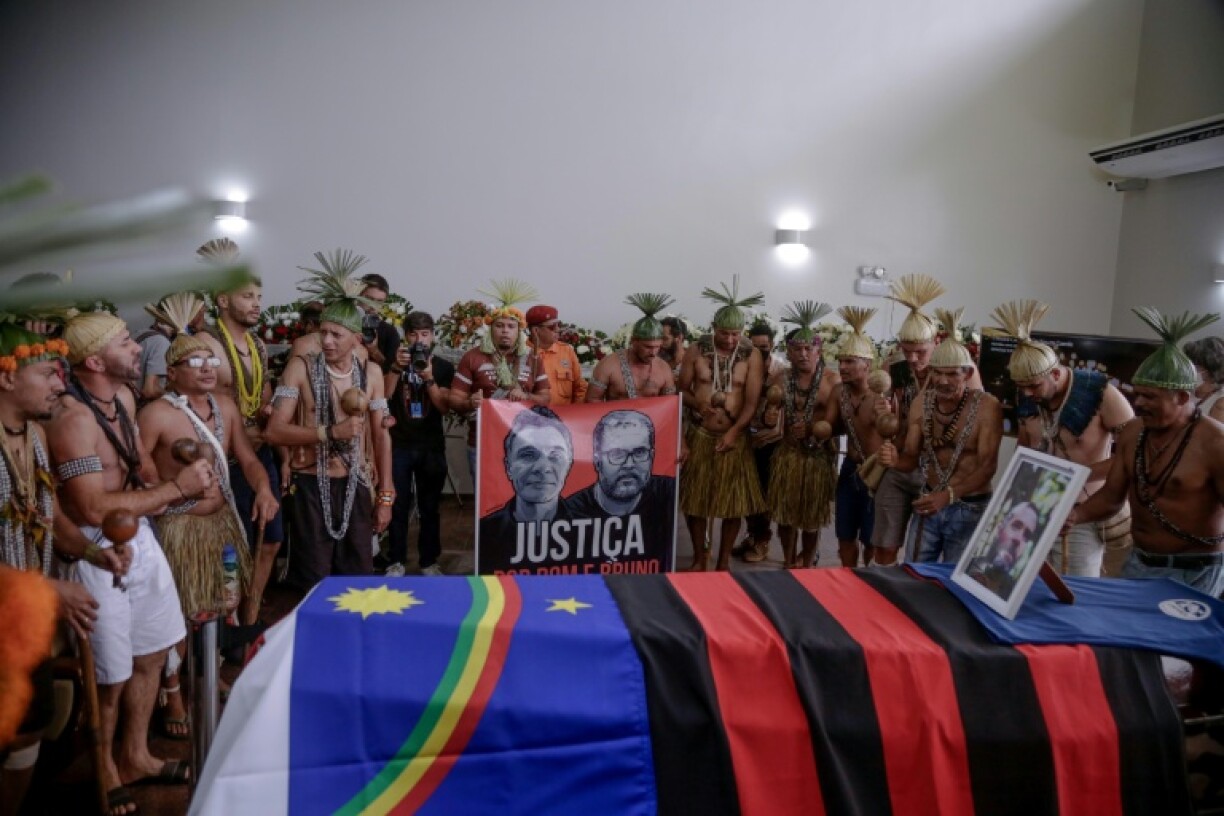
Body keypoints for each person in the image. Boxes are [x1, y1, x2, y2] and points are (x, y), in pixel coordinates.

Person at [47, 311, 215, 808]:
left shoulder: (122, 397)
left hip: (138, 534)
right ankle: (104, 768)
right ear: (95, 361)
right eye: (125, 342)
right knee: (111, 672)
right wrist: (176, 489)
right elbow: (89, 508)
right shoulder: (72, 419)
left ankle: (136, 755)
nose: (138, 347)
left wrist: (175, 474)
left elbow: (138, 467)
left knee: (153, 651)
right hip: (93, 548)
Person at [136, 294, 278, 741]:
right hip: (178, 528)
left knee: (220, 603)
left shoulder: (226, 407)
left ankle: (208, 673)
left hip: (222, 524)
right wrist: (164, 492)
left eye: (211, 360)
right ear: (172, 371)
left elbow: (247, 459)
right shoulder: (156, 414)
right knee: (178, 612)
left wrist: (263, 489)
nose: (206, 368)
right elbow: (140, 471)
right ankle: (174, 692)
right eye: (194, 362)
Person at [0, 323, 128, 816]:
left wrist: (95, 554)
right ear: (6, 378)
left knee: (28, 729)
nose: (61, 384)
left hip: (22, 620)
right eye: (47, 374)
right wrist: (50, 589)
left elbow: (49, 518)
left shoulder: (34, 435)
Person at [1066, 309, 1224, 595]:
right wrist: (1074, 516)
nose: (1138, 403)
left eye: (1150, 396)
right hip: (1139, 562)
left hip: (1196, 572)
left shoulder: (1215, 443)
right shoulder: (1132, 432)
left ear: (1182, 397)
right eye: (1137, 393)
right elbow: (1111, 497)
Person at [266, 254, 393, 595]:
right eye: (323, 332)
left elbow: (382, 435)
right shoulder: (300, 368)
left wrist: (386, 496)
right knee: (312, 582)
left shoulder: (371, 374)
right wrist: (329, 432)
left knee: (359, 581)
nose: (327, 341)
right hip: (310, 484)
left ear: (356, 338)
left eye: (336, 334)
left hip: (357, 484)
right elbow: (274, 430)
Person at [988, 299, 1134, 577]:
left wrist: (1077, 475)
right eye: (1022, 387)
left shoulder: (1102, 392)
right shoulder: (1029, 394)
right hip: (1034, 509)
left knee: (1076, 587)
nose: (1027, 393)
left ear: (1055, 373)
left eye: (1033, 386)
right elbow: (1025, 448)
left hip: (1082, 510)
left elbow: (1133, 453)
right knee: (1028, 584)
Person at [196, 239, 284, 626]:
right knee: (231, 548)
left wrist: (267, 412)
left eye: (259, 297)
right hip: (225, 459)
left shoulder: (258, 345)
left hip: (258, 452)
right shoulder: (205, 344)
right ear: (222, 300)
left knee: (271, 540)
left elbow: (262, 395)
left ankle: (249, 620)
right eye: (247, 296)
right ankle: (226, 625)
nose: (256, 304)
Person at [879, 308, 1003, 565]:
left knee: (954, 579)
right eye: (937, 373)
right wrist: (895, 461)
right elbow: (911, 458)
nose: (943, 381)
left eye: (952, 374)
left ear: (967, 374)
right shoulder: (922, 403)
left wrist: (948, 496)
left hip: (969, 506)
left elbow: (987, 466)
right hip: (928, 501)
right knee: (913, 572)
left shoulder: (987, 407)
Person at [678, 277, 767, 571]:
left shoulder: (751, 355)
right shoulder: (696, 350)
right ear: (713, 327)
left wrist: (734, 432)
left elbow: (751, 402)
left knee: (732, 504)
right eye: (724, 333)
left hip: (734, 438)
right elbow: (681, 390)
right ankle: (699, 557)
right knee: (696, 502)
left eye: (735, 334)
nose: (730, 340)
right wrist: (698, 404)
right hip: (701, 433)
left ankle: (724, 561)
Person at [759, 302, 840, 568]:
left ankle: (806, 561)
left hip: (817, 457)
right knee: (784, 515)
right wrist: (769, 417)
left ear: (819, 350)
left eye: (809, 349)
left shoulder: (832, 382)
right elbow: (766, 414)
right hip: (788, 454)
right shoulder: (781, 379)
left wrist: (814, 430)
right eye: (797, 349)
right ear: (789, 352)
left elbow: (837, 424)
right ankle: (788, 559)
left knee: (811, 518)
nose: (803, 354)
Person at [449, 280, 550, 480]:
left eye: (511, 326)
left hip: (524, 445)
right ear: (491, 329)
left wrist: (526, 396)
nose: (505, 331)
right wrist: (470, 403)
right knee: (485, 497)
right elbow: (454, 398)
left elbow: (546, 398)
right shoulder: (472, 357)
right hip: (482, 443)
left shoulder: (532, 358)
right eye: (499, 326)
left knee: (521, 496)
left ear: (519, 331)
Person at [383, 311, 452, 576]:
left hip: (431, 444)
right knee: (397, 504)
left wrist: (429, 378)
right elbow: (383, 397)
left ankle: (429, 561)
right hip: (398, 443)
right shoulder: (393, 362)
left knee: (430, 507)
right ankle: (396, 560)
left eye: (424, 334)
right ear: (406, 336)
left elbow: (444, 407)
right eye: (413, 334)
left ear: (433, 336)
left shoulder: (443, 366)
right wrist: (395, 368)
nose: (419, 340)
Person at [565, 410, 676, 551]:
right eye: (616, 454)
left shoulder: (668, 493)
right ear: (597, 461)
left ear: (652, 456)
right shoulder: (569, 514)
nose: (629, 464)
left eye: (640, 452)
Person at [827, 306, 885, 567]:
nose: (843, 367)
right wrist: (812, 428)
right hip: (849, 468)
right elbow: (829, 426)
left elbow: (893, 433)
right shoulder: (839, 392)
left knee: (871, 538)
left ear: (867, 365)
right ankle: (847, 578)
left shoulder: (881, 397)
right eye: (841, 361)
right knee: (845, 534)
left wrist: (887, 417)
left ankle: (869, 581)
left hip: (877, 472)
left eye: (850, 362)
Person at [479, 406, 575, 553]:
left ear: (568, 466)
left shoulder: (589, 528)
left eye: (555, 456)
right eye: (528, 455)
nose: (543, 467)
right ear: (508, 467)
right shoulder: (486, 531)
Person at [735, 317, 789, 562]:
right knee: (747, 492)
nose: (758, 352)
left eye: (764, 347)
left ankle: (762, 541)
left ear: (773, 345)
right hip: (746, 436)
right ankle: (752, 535)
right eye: (754, 347)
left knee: (764, 494)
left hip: (772, 440)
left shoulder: (781, 371)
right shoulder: (743, 364)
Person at [587, 293, 677, 402]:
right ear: (633, 341)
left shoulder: (663, 369)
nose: (653, 352)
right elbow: (592, 400)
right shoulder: (608, 365)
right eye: (647, 347)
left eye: (657, 347)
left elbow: (669, 404)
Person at [965, 501, 1040, 597]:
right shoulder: (965, 568)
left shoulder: (1016, 595)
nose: (1018, 539)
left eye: (1027, 535)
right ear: (1000, 528)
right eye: (1016, 526)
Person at [525, 304, 587, 405]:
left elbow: (580, 388)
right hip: (532, 414)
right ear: (535, 330)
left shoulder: (566, 351)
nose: (558, 330)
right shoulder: (522, 353)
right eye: (552, 327)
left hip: (565, 414)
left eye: (559, 325)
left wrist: (575, 411)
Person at [357, 272, 401, 373]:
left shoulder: (390, 332)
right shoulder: (343, 323)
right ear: (358, 296)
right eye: (369, 299)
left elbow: (392, 372)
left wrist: (374, 351)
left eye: (379, 301)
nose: (373, 305)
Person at [1185, 335, 1224, 422]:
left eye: (1197, 365)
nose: (1192, 368)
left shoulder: (1221, 401)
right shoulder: (1192, 389)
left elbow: (1213, 431)